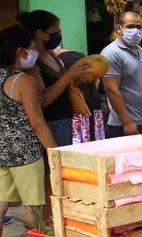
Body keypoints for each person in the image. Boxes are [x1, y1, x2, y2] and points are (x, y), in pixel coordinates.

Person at [0, 24, 58, 237]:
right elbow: (37, 123)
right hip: (26, 153)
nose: (32, 53)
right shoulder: (22, 80)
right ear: (20, 51)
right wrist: (54, 152)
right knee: (32, 205)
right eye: (31, 49)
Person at [18, 10, 92, 147]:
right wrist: (69, 74)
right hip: (50, 124)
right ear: (40, 33)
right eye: (55, 31)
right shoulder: (32, 64)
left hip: (65, 120)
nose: (59, 35)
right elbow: (42, 100)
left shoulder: (51, 55)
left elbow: (62, 86)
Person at [101, 11, 142, 137]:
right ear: (119, 29)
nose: (135, 30)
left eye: (139, 27)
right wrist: (127, 121)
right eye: (130, 26)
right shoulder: (111, 53)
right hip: (125, 125)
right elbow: (111, 89)